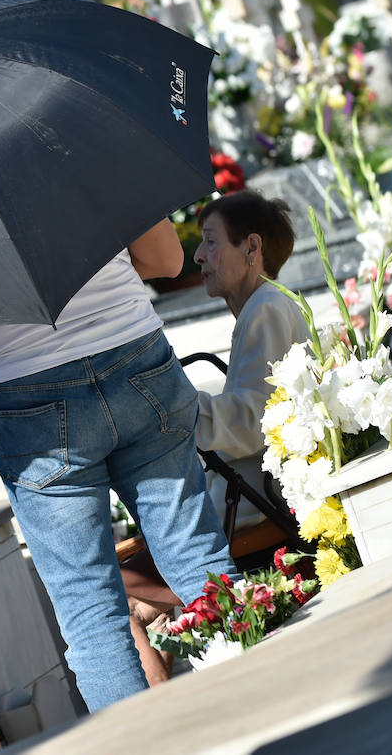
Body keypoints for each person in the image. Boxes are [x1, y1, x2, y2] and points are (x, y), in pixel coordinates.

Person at [0, 218, 238, 712]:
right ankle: (276, 712)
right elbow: (165, 261)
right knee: (200, 560)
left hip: (25, 391)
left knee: (91, 616)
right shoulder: (79, 140)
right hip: (135, 356)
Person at [120, 189, 310, 684]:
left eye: (209, 242)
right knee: (143, 608)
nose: (199, 256)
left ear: (251, 247)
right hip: (248, 493)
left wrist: (167, 400)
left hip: (252, 503)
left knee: (121, 595)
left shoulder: (266, 308)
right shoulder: (266, 306)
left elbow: (250, 424)